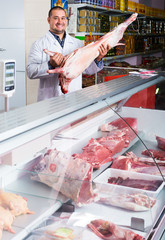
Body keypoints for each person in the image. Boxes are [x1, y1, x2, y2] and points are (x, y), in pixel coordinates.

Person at [27, 6, 110, 101]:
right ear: (48, 20)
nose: (60, 21)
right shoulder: (39, 44)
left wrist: (98, 58)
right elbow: (30, 72)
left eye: (63, 18)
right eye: (55, 18)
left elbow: (87, 70)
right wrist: (50, 65)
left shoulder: (78, 43)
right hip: (49, 100)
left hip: (73, 98)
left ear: (66, 20)